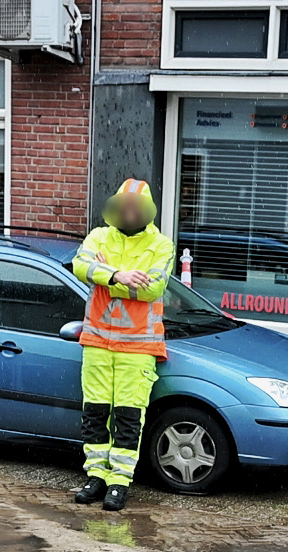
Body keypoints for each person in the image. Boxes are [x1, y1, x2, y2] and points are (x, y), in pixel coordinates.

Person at [71, 178, 177, 513]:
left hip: (138, 348)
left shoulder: (162, 244)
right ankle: (95, 477)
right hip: (97, 342)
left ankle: (119, 483)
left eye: (136, 207)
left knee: (129, 418)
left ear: (147, 210)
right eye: (123, 206)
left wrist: (103, 276)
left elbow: (152, 289)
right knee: (95, 414)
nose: (129, 212)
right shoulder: (99, 235)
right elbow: (78, 266)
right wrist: (120, 275)